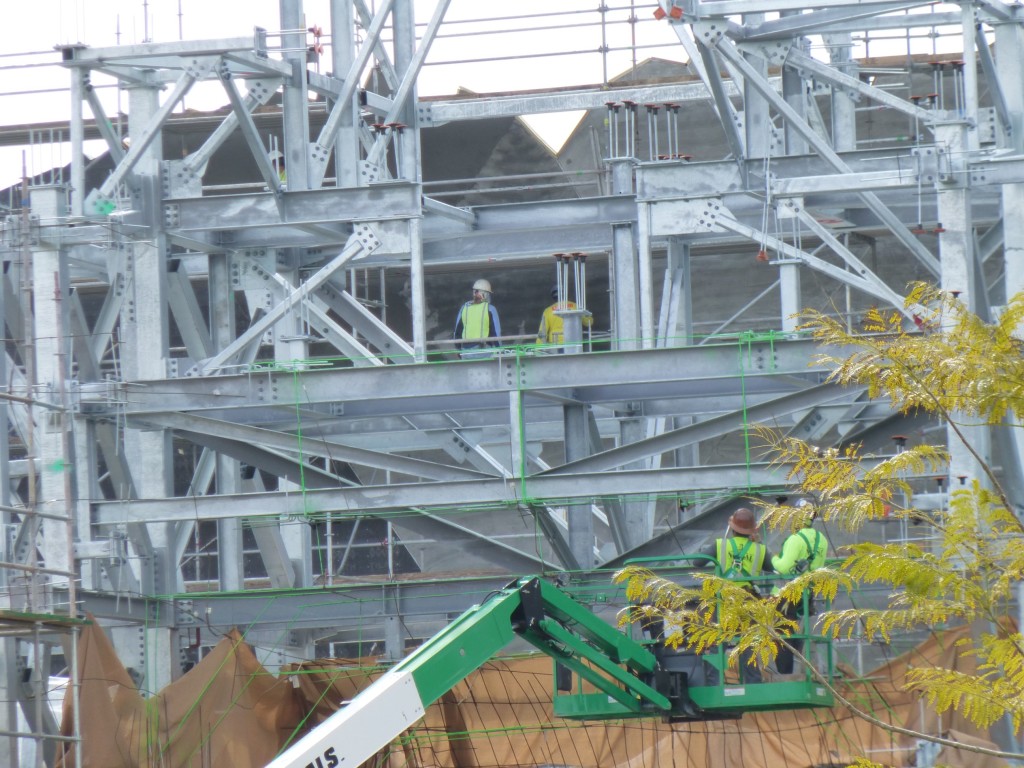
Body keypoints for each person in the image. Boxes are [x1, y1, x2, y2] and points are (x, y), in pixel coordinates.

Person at [699, 507, 772, 683]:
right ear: (751, 531)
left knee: (717, 642)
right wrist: (757, 544)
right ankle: (753, 683)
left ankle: (715, 684)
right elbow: (771, 567)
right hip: (748, 602)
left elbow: (697, 561)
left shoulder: (720, 545)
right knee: (748, 645)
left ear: (732, 529)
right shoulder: (759, 550)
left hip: (724, 601)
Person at [771, 500, 829, 676]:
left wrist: (771, 558)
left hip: (786, 594)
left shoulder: (795, 540)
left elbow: (783, 567)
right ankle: (799, 669)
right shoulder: (822, 540)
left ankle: (785, 673)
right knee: (797, 632)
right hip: (808, 592)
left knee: (782, 635)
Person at [453, 279, 501, 358]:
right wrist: (499, 350)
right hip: (485, 351)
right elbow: (496, 333)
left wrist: (458, 349)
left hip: (466, 352)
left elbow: (457, 333)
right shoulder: (490, 309)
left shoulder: (464, 308)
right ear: (485, 294)